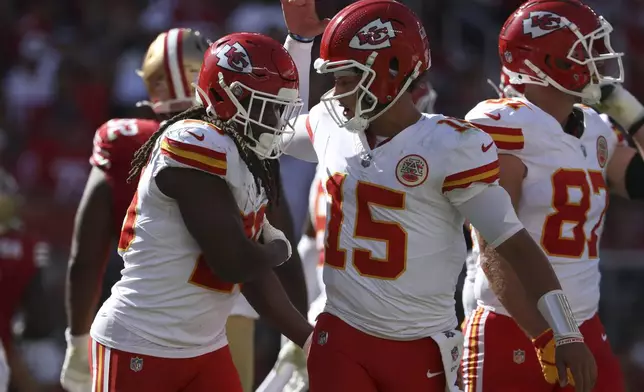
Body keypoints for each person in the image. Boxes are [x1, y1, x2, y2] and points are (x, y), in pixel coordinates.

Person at [280, 0, 597, 391]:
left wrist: (565, 332)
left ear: (390, 71)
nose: (336, 94)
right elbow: (275, 131)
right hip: (342, 334)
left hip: (422, 343)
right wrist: (297, 42)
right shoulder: (330, 123)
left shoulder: (449, 145)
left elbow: (513, 242)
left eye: (346, 80)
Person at [87, 31, 313, 392]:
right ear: (230, 97)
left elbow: (252, 277)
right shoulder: (193, 142)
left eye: (280, 106)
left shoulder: (242, 155)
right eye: (266, 104)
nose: (274, 118)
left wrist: (309, 340)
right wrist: (276, 250)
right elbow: (234, 263)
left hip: (206, 347)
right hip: (140, 343)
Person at [462, 0, 644, 391]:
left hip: (586, 324)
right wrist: (549, 336)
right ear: (549, 60)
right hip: (514, 328)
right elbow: (497, 245)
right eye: (586, 49)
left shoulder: (594, 127)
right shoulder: (505, 125)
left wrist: (635, 117)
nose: (598, 59)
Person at [256, 72, 439, 392]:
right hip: (395, 326)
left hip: (329, 316)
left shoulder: (333, 166)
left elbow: (310, 248)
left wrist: (301, 323)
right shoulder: (426, 169)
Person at [61, 27, 209, 392]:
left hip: (139, 326)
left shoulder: (125, 139)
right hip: (218, 323)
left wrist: (77, 340)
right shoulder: (229, 143)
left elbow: (85, 255)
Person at [0, 169, 52, 392]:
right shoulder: (30, 246)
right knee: (48, 360)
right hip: (9, 343)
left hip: (8, 341)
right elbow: (39, 321)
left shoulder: (30, 246)